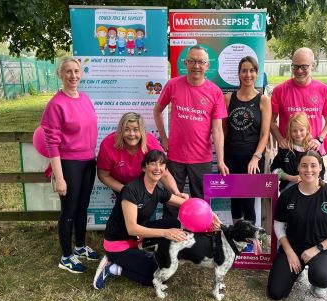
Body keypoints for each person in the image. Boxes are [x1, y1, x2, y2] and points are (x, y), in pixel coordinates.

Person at [93, 150, 221, 289]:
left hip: (137, 239)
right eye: (153, 164)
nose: (157, 168)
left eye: (161, 165)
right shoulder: (131, 190)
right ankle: (113, 267)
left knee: (173, 223)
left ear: (165, 169)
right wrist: (165, 233)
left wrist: (210, 213)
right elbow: (132, 228)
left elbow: (185, 203)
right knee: (158, 274)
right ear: (144, 167)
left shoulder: (157, 190)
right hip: (118, 243)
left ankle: (141, 252)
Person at [153, 45, 229, 218]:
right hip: (174, 155)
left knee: (201, 202)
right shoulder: (172, 85)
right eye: (193, 61)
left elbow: (217, 130)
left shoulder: (215, 92)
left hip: (201, 157)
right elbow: (157, 110)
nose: (196, 66)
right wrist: (164, 138)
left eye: (201, 62)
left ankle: (200, 238)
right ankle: (170, 236)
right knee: (172, 200)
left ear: (207, 65)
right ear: (185, 63)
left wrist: (221, 160)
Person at [40, 56, 99, 273]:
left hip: (88, 161)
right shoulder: (56, 104)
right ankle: (66, 257)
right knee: (69, 210)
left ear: (81, 74)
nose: (73, 76)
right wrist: (60, 176)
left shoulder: (84, 98)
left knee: (83, 206)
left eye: (76, 71)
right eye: (68, 72)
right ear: (60, 75)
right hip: (69, 164)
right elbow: (51, 143)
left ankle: (80, 246)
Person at [267, 150, 327, 300]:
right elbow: (278, 226)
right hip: (294, 247)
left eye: (313, 166)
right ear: (298, 168)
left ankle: (317, 281)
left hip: (324, 249)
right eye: (304, 166)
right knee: (275, 292)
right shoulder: (287, 195)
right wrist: (289, 252)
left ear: (320, 167)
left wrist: (317, 248)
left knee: (321, 276)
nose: (309, 170)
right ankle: (295, 272)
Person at [97, 112, 188, 205]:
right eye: (127, 129)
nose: (132, 134)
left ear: (142, 131)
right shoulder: (108, 145)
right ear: (121, 131)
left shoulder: (151, 144)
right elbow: (103, 175)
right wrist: (126, 190)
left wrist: (177, 193)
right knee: (127, 207)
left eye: (136, 130)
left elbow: (164, 174)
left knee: (144, 209)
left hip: (145, 181)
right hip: (120, 183)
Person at [223, 56, 271, 224]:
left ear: (257, 73)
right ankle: (238, 238)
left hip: (253, 159)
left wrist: (256, 157)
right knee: (235, 200)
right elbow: (223, 130)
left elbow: (265, 133)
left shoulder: (263, 100)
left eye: (252, 70)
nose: (248, 74)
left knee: (248, 201)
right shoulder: (229, 98)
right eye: (244, 70)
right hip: (231, 157)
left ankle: (251, 241)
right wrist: (223, 158)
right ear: (239, 74)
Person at [270, 47, 327, 151]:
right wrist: (280, 139)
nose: (299, 71)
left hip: (313, 153)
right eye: (295, 67)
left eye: (304, 67)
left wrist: (319, 139)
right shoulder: (279, 90)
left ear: (313, 66)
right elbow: (271, 121)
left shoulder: (324, 90)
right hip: (288, 152)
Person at [271, 112, 325, 192]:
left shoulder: (313, 148)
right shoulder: (285, 149)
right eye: (294, 131)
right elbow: (274, 170)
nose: (298, 134)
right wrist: (290, 178)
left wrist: (309, 179)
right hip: (288, 188)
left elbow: (321, 171)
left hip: (310, 188)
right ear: (289, 131)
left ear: (307, 129)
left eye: (301, 130)